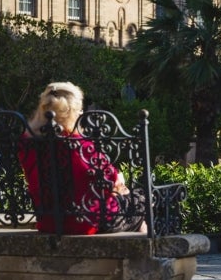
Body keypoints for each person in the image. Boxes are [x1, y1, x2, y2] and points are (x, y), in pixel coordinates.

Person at [18, 81, 147, 235]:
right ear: (72, 113)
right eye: (79, 110)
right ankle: (148, 254)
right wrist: (119, 184)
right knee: (140, 202)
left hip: (48, 221)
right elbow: (111, 179)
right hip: (85, 220)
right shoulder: (79, 145)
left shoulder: (27, 144)